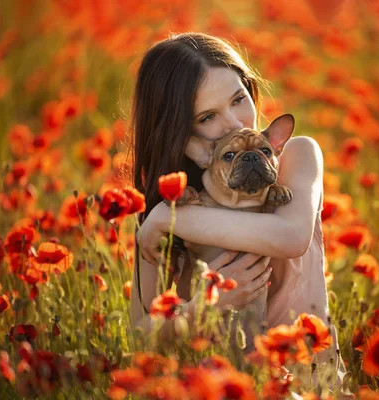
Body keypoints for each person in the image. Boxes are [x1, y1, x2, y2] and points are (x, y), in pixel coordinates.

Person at [128, 32, 352, 397]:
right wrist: (202, 309)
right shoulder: (176, 200)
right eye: (208, 116)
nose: (234, 123)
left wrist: (166, 221)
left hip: (307, 384)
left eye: (238, 99)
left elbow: (291, 236)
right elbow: (141, 333)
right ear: (185, 136)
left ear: (250, 87)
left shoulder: (294, 156)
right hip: (212, 386)